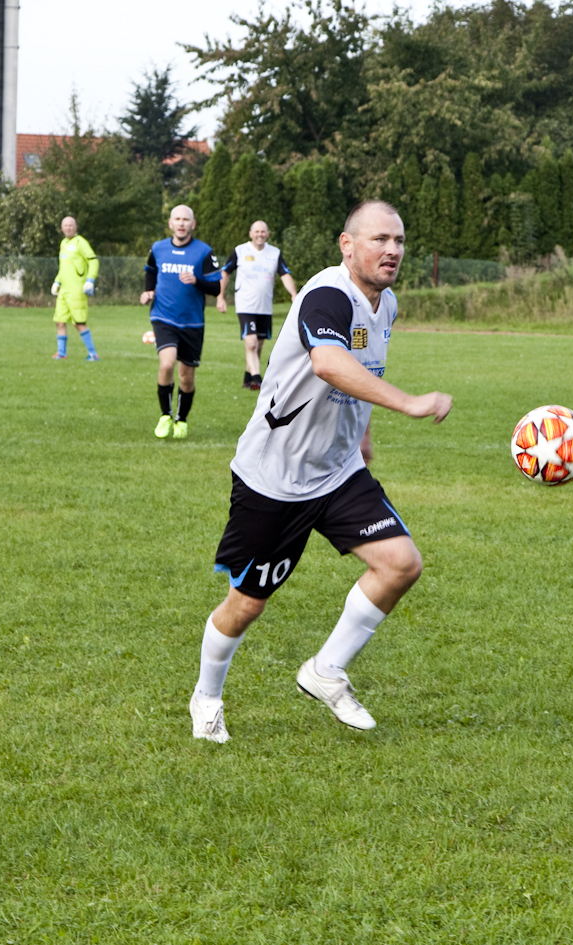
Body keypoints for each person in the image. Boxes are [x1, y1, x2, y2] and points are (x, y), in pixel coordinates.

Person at [190, 200, 453, 742]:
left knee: (400, 564)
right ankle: (207, 696)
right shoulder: (327, 294)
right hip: (274, 479)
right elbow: (329, 363)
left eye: (399, 241)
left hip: (337, 473)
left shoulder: (387, 304)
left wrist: (363, 434)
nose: (393, 250)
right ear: (347, 244)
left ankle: (325, 670)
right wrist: (407, 403)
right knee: (246, 606)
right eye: (380, 239)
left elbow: (364, 366)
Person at [140, 205, 221, 439]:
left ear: (193, 224)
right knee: (166, 364)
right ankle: (165, 415)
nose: (182, 223)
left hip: (193, 322)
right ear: (170, 223)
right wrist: (148, 292)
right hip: (163, 316)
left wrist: (196, 281)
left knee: (186, 376)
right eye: (177, 219)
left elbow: (215, 287)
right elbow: (150, 272)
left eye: (186, 219)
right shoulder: (158, 248)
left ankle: (181, 420)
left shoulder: (204, 252)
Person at [216, 220, 298, 390]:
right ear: (250, 234)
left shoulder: (274, 253)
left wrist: (293, 294)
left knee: (258, 345)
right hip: (246, 304)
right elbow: (225, 273)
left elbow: (285, 274)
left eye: (263, 232)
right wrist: (220, 296)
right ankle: (257, 378)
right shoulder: (240, 251)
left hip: (265, 306)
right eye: (256, 231)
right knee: (251, 343)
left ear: (267, 234)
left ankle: (247, 377)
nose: (260, 234)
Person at [51, 216, 100, 361]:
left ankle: (93, 354)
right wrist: (57, 282)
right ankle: (61, 353)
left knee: (79, 323)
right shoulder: (63, 243)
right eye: (65, 225)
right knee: (59, 321)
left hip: (77, 290)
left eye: (70, 225)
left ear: (75, 227)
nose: (68, 228)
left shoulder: (81, 242)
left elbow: (93, 261)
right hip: (64, 291)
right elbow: (64, 267)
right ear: (61, 228)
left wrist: (90, 280)